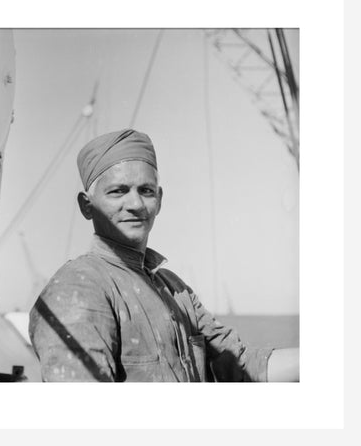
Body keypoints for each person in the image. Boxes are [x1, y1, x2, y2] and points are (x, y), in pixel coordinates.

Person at [29, 129, 299, 382]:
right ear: (87, 206)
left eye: (145, 191)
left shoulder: (174, 289)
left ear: (159, 200)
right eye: (118, 191)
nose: (135, 204)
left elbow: (239, 365)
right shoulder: (81, 286)